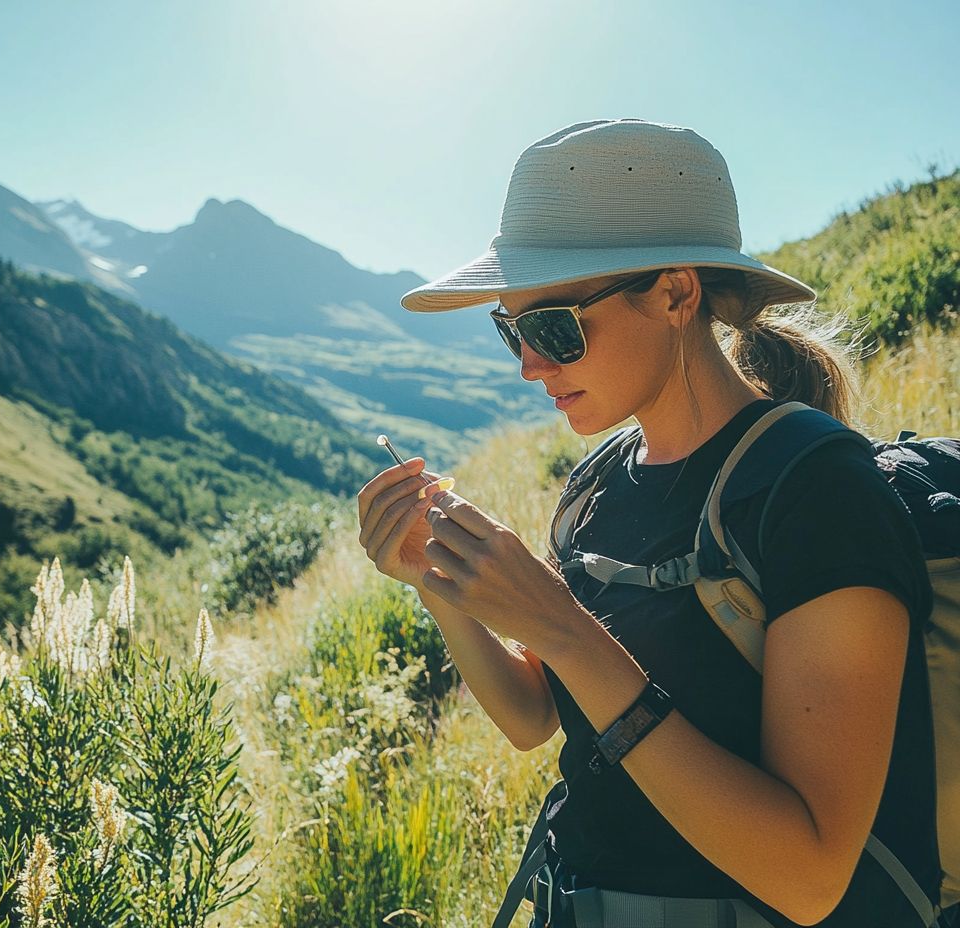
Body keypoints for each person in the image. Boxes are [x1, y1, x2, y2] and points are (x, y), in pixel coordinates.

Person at [356, 119, 940, 927]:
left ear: (674, 293)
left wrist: (562, 629)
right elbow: (535, 719)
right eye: (511, 330)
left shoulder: (817, 490)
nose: (529, 364)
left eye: (554, 327)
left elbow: (811, 875)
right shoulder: (597, 484)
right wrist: (436, 580)